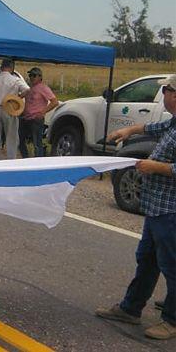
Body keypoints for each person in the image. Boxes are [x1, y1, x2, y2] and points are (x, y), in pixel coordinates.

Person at [95, 74, 176, 341]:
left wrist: (158, 167)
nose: (163, 94)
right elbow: (154, 129)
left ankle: (172, 321)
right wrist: (128, 130)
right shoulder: (173, 124)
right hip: (155, 208)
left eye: (166, 90)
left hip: (170, 211)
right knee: (148, 260)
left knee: (172, 265)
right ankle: (131, 308)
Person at [0, 58, 30, 160]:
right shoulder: (15, 80)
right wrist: (18, 98)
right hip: (9, 107)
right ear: (12, 67)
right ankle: (11, 159)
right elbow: (27, 89)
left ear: (1, 67)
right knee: (11, 135)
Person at [18, 67, 58, 158]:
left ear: (40, 77)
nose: (32, 77)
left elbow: (54, 101)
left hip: (36, 119)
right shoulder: (30, 89)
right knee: (20, 141)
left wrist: (43, 112)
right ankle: (26, 159)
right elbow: (19, 97)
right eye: (30, 75)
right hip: (26, 118)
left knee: (37, 143)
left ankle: (38, 162)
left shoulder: (44, 88)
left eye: (34, 75)